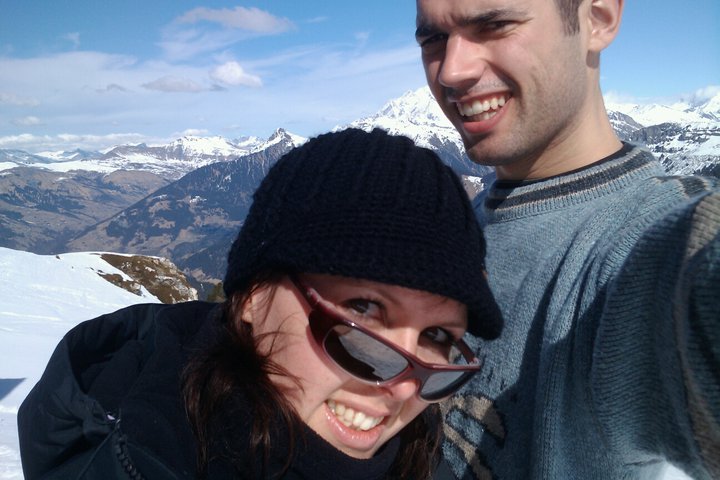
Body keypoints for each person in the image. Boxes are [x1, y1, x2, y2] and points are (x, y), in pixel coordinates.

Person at [17, 128, 504, 479]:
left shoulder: (422, 455)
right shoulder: (141, 457)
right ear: (253, 295)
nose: (404, 387)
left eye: (437, 336)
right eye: (362, 309)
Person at [415, 0, 719, 479]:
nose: (451, 70)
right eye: (433, 38)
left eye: (495, 24)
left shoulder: (641, 247)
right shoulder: (461, 224)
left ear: (598, 18)